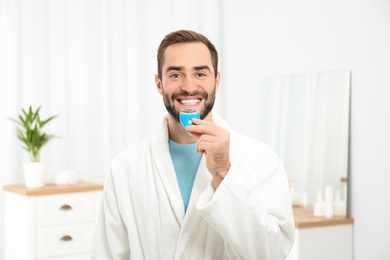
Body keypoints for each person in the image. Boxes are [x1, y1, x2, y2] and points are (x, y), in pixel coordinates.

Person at [91, 29, 295, 259]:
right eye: (176, 75)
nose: (189, 87)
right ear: (159, 84)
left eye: (200, 74)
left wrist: (222, 172)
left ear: (216, 81)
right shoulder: (125, 168)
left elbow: (272, 252)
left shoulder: (259, 159)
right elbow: (106, 254)